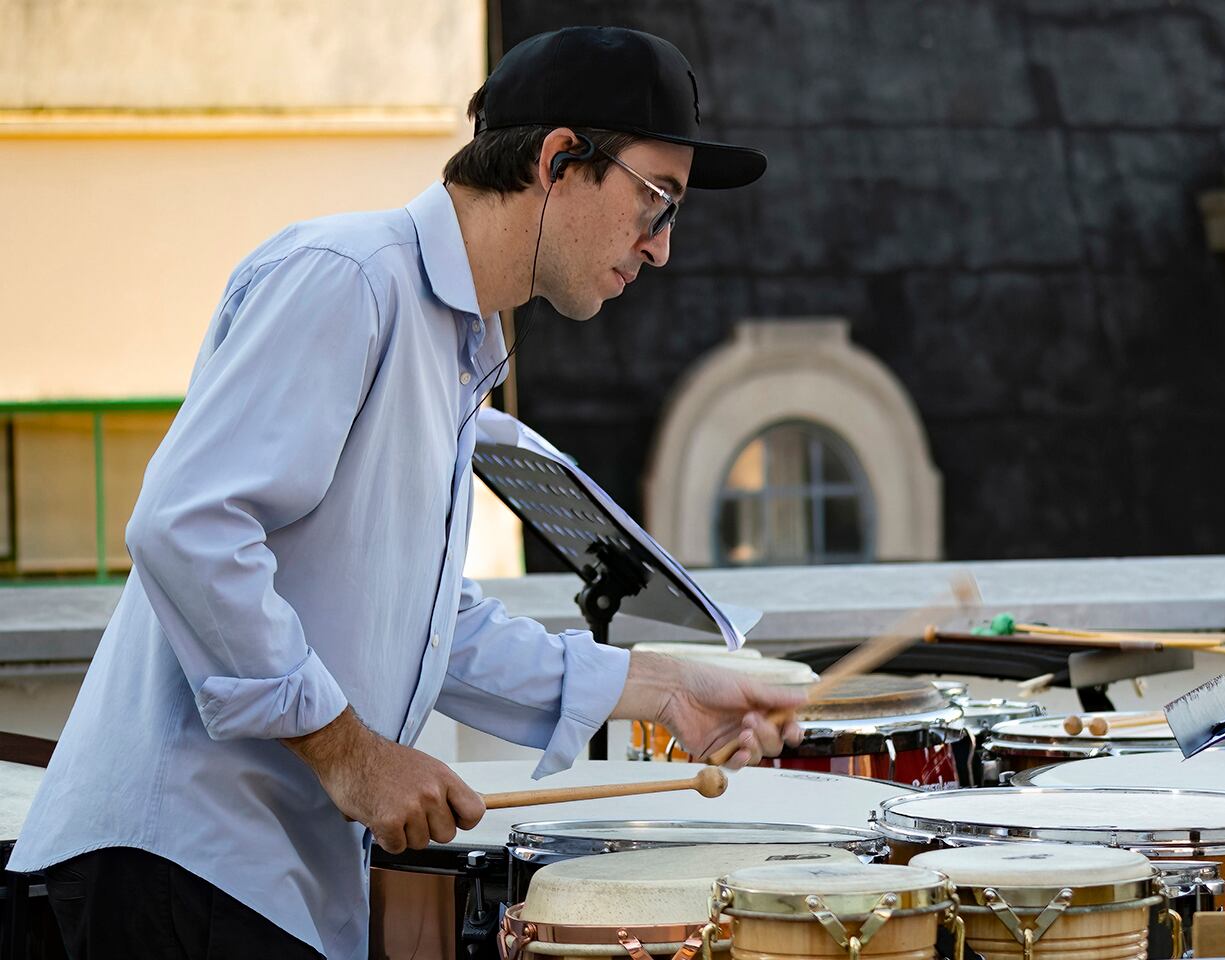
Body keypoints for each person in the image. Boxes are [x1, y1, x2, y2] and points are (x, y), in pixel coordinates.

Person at [10, 26, 802, 960]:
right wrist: (352, 755)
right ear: (558, 161)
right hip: (170, 870)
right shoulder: (348, 278)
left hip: (257, 890)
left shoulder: (461, 347)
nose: (662, 247)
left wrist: (667, 689)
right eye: (657, 198)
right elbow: (188, 529)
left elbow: (428, 629)